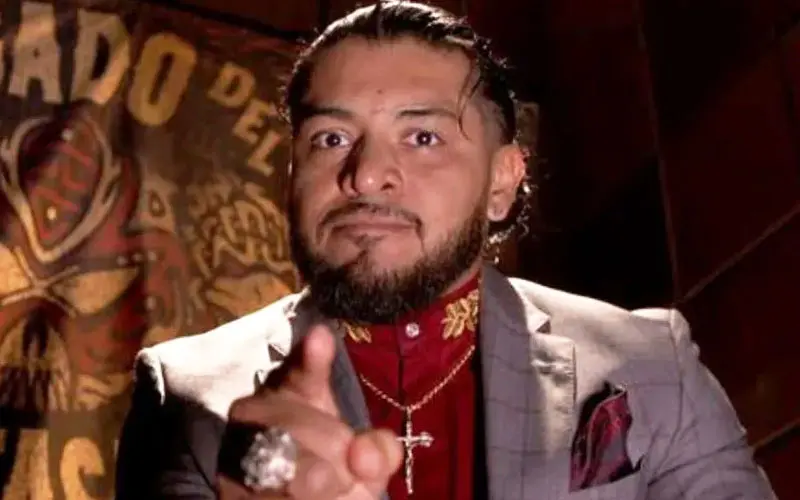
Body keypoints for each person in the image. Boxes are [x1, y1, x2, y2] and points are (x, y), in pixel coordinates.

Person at [115, 2, 776, 499]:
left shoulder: (652, 367)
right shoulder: (187, 397)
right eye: (330, 140)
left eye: (423, 138)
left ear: (502, 181)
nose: (366, 176)